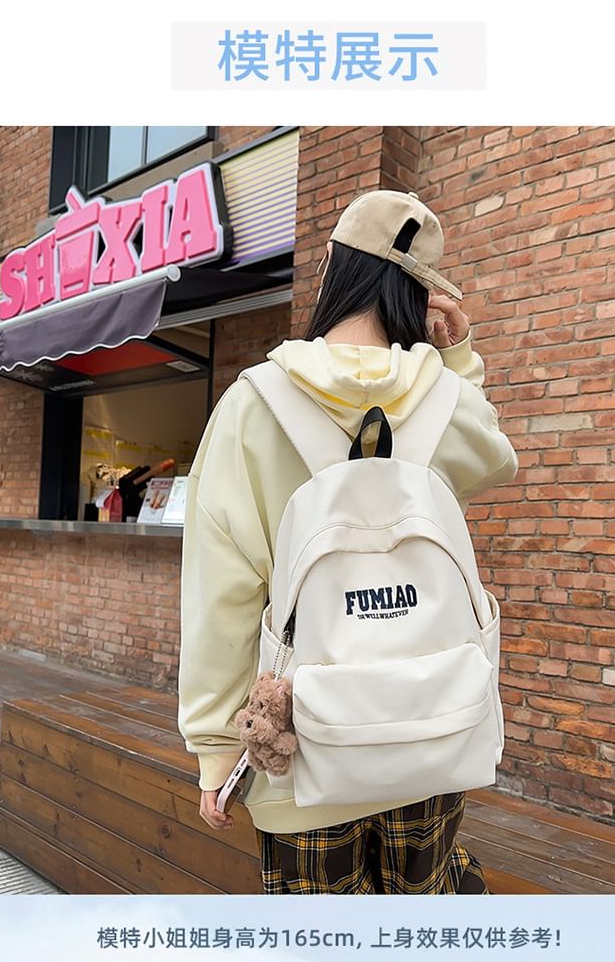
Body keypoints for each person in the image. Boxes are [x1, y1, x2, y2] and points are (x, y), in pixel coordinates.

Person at [177, 190, 519, 894]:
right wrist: (457, 359)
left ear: (332, 261)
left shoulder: (253, 403)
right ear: (422, 293)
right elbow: (492, 459)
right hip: (431, 732)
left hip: (301, 748)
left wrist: (215, 746)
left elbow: (222, 593)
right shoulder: (445, 398)